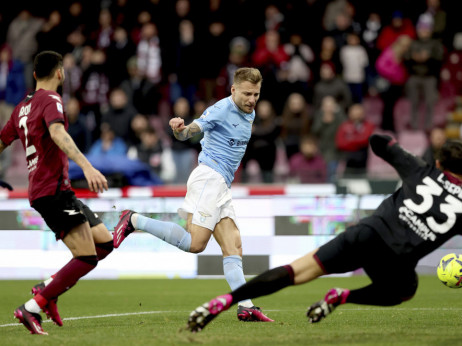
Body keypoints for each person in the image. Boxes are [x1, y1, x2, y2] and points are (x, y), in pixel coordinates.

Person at [187, 134, 462, 332]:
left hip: (365, 234)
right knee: (404, 292)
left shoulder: (421, 171)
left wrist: (403, 154)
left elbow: (379, 141)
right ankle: (343, 296)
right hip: (396, 260)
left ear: (439, 164)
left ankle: (225, 300)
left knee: (295, 272)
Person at [113, 67, 273, 322]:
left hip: (222, 185)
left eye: (256, 94)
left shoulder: (250, 111)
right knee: (195, 243)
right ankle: (133, 220)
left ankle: (246, 306)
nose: (252, 99)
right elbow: (192, 130)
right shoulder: (222, 109)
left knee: (234, 246)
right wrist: (179, 129)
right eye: (246, 94)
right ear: (233, 90)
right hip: (209, 178)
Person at [0, 51, 109, 335]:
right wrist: (87, 167)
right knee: (87, 257)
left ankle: (48, 288)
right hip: (53, 190)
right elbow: (58, 134)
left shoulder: (20, 108)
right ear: (59, 73)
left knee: (104, 242)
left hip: (47, 190)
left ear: (35, 74)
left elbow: (1, 141)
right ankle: (32, 305)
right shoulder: (52, 100)